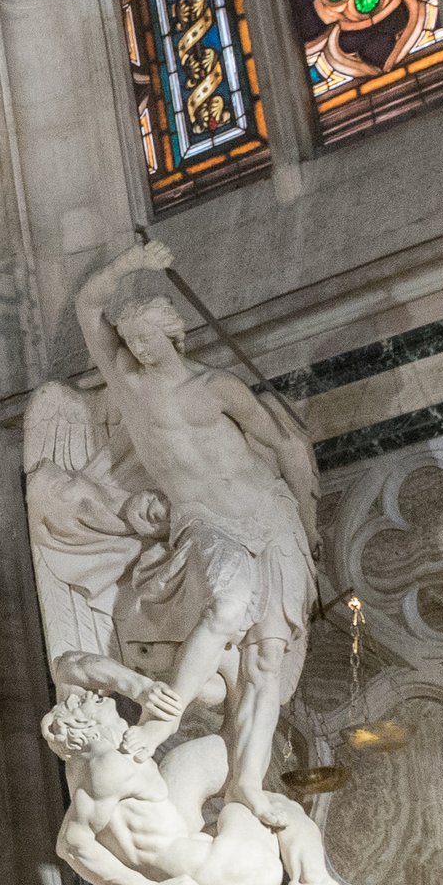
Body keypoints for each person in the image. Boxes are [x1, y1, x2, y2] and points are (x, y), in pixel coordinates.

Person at [70, 241, 318, 822]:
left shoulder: (216, 388)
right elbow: (88, 305)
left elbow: (285, 443)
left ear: (174, 335)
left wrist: (308, 525)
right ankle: (164, 718)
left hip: (271, 514)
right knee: (227, 608)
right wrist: (130, 265)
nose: (138, 350)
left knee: (266, 664)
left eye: (147, 339)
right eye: (131, 341)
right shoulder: (126, 383)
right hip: (207, 521)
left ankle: (246, 786)